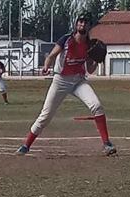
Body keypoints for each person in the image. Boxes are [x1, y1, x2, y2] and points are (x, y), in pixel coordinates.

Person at [16, 13, 117, 156]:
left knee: (96, 105)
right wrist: (46, 67)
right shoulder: (66, 40)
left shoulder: (89, 44)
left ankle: (107, 144)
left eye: (86, 23)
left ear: (89, 26)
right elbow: (51, 56)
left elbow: (90, 69)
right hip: (61, 80)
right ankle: (26, 145)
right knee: (45, 116)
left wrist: (97, 60)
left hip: (78, 81)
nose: (82, 25)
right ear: (76, 24)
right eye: (80, 22)